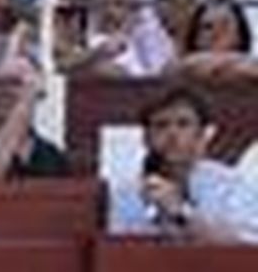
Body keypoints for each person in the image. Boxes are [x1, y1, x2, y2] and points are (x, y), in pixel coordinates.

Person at [106, 80, 258, 243]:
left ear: (202, 135)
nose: (172, 134)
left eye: (183, 124)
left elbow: (247, 246)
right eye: (161, 125)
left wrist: (182, 213)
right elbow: (120, 249)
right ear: (146, 138)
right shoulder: (126, 193)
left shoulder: (231, 185)